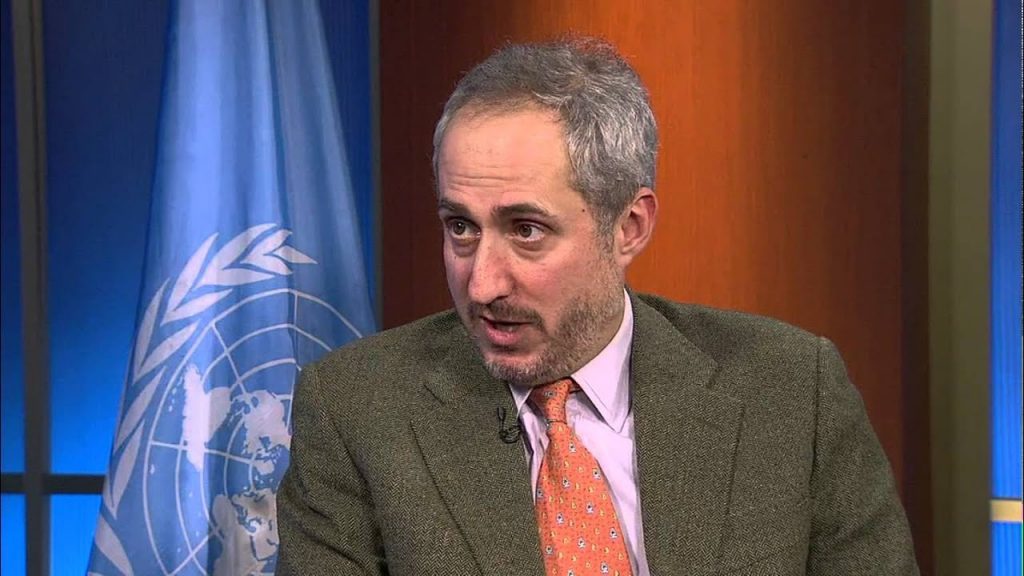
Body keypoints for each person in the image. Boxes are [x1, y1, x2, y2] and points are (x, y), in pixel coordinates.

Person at [277, 38, 919, 576]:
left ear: (629, 227)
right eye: (461, 227)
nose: (482, 285)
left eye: (526, 230)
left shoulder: (791, 390)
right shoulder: (356, 410)